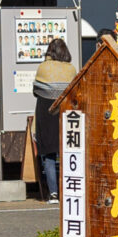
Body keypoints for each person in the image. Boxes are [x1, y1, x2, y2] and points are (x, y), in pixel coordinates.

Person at [32, 35, 73, 199]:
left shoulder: (43, 67)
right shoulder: (71, 69)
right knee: (67, 153)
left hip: (46, 113)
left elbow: (36, 91)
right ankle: (69, 190)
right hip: (66, 113)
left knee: (48, 155)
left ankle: (54, 193)